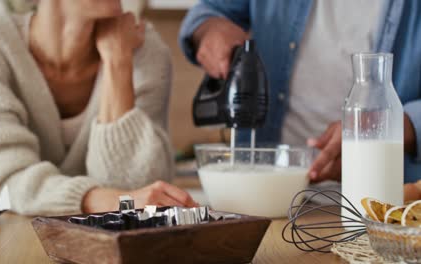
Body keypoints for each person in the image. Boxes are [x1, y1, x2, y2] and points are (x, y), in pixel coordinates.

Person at [0, 0, 196, 216]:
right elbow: (3, 184)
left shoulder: (142, 48)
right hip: (15, 246)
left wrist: (117, 60)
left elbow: (139, 196)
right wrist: (102, 200)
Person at [179, 0, 421, 184]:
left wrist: (396, 126)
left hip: (390, 204)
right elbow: (208, 12)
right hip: (265, 197)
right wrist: (211, 30)